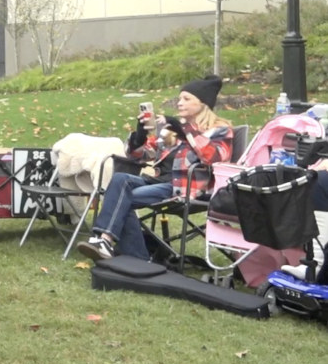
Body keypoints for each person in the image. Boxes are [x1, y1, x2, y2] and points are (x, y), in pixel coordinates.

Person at [77, 76, 233, 262]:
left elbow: (214, 157)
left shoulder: (220, 130)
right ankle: (110, 244)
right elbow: (139, 156)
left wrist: (185, 130)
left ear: (203, 103)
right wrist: (139, 136)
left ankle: (127, 252)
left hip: (186, 189)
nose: (179, 103)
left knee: (121, 199)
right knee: (120, 180)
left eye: (186, 99)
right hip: (159, 182)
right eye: (179, 98)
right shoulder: (170, 131)